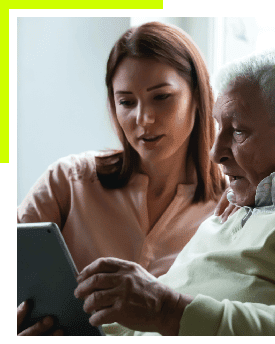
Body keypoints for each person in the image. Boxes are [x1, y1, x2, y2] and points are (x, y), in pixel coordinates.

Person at [19, 45, 275, 335]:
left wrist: (165, 308)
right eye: (218, 128)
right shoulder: (246, 194)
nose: (216, 154)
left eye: (238, 131)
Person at [17, 21, 230, 335]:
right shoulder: (67, 182)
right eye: (127, 102)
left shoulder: (231, 206)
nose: (143, 119)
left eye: (161, 97)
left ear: (199, 97)